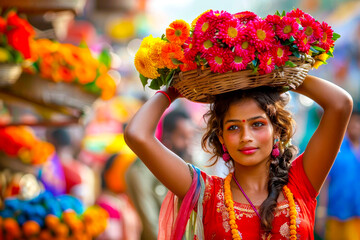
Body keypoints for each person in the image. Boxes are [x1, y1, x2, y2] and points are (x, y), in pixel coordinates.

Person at [124, 74, 352, 239]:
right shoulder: (206, 193)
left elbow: (340, 104)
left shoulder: (300, 182)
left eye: (258, 124)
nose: (246, 136)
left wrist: (281, 72)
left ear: (277, 131)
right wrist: (172, 89)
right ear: (221, 137)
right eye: (233, 128)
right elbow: (137, 134)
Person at [126, 109, 195, 240]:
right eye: (182, 137)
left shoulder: (191, 164)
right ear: (167, 138)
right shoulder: (142, 169)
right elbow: (151, 224)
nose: (188, 144)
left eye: (191, 137)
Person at [322, 109, 360, 240]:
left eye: (358, 122)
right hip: (336, 213)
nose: (356, 126)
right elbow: (325, 182)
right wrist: (321, 212)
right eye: (352, 122)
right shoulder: (336, 149)